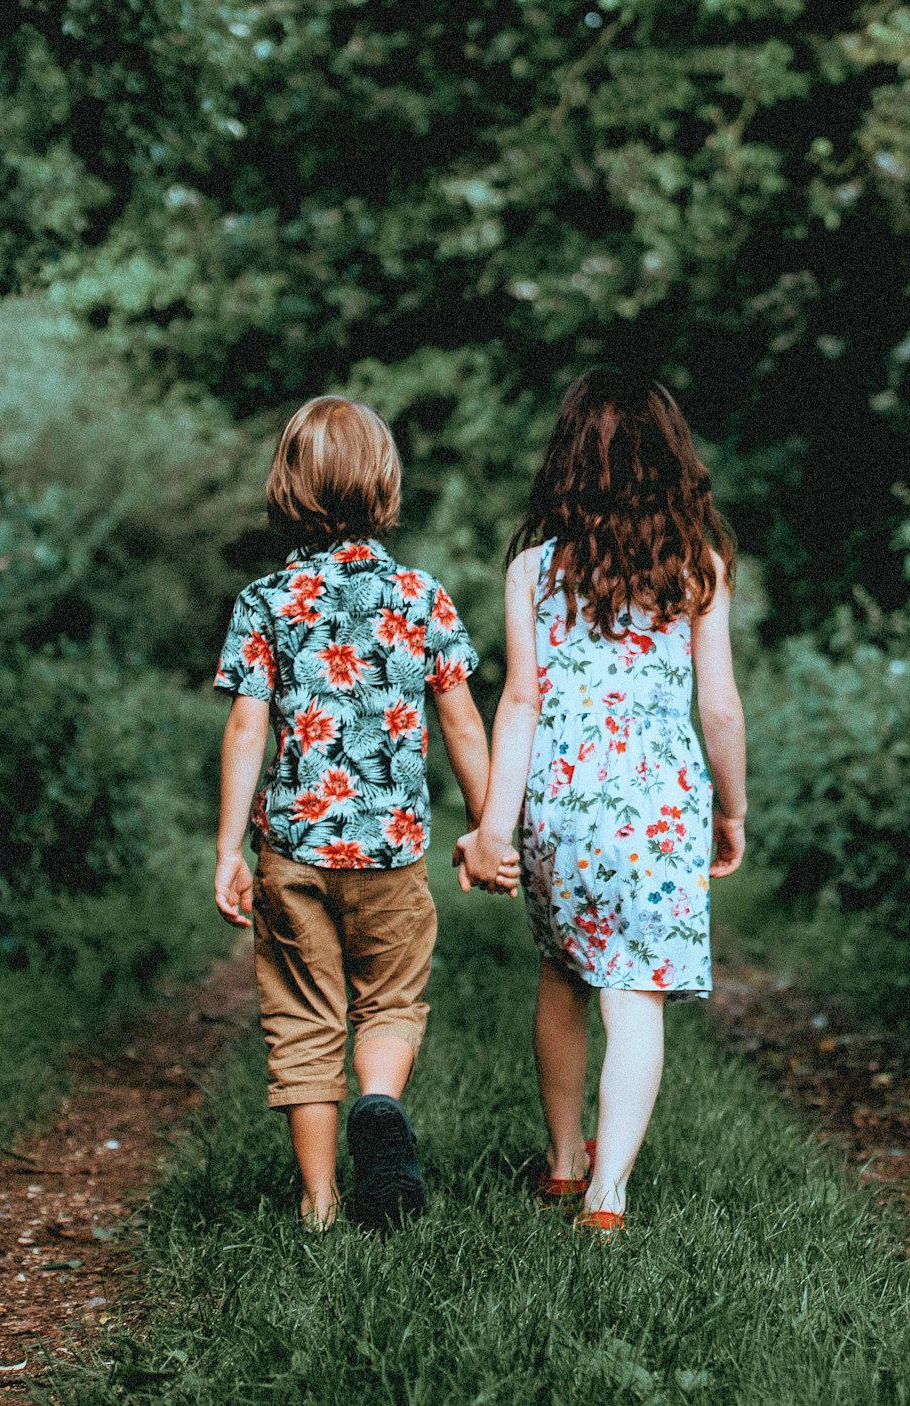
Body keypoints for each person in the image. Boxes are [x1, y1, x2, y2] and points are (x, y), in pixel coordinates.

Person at [460, 368, 748, 1237]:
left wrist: (494, 829)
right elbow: (720, 706)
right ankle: (607, 1194)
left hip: (560, 804)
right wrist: (732, 809)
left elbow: (519, 702)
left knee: (564, 975)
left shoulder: (534, 572)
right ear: (673, 463)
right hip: (659, 805)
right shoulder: (698, 566)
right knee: (635, 995)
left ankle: (560, 1162)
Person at [212, 395, 491, 1233]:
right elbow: (463, 720)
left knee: (301, 1019)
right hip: (392, 850)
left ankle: (321, 1202)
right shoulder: (420, 595)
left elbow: (246, 725)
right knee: (390, 1003)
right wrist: (487, 828)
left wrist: (229, 847)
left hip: (293, 851)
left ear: (287, 485)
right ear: (385, 482)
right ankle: (378, 1102)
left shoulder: (266, 600)